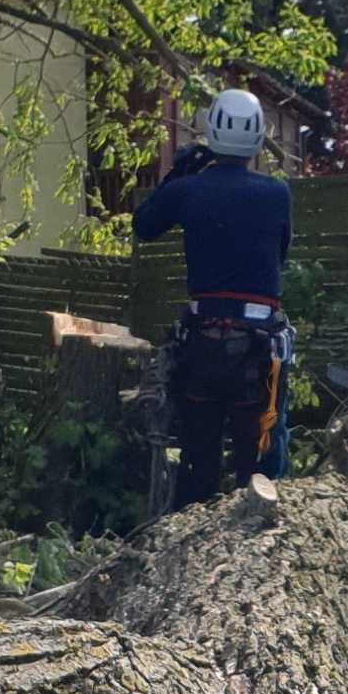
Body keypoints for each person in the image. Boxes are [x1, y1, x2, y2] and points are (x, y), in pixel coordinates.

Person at [132, 88, 293, 507]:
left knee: (198, 457)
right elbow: (281, 253)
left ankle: (189, 537)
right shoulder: (277, 194)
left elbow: (144, 225)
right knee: (259, 462)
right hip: (259, 343)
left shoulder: (189, 191)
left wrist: (177, 178)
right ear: (259, 136)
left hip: (202, 342)